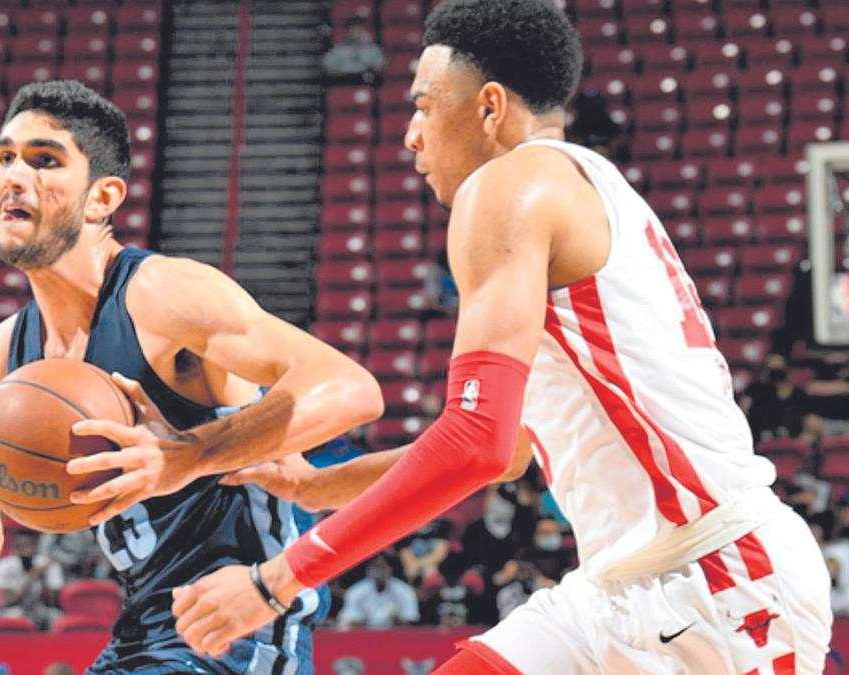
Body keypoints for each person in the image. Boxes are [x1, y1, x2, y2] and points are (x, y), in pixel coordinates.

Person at [172, 1, 832, 672]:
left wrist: (275, 580)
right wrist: (321, 485)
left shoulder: (511, 185)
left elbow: (475, 442)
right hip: (624, 586)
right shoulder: (583, 186)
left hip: (716, 576)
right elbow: (512, 447)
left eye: (425, 106)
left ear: (489, 108)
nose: (410, 135)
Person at [0, 80, 383, 674]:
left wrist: (188, 455)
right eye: (4, 157)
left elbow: (353, 389)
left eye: (44, 160)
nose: (14, 176)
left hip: (237, 628)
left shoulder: (160, 295)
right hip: (144, 631)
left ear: (103, 199)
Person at [0, 530, 63, 630]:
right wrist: (32, 576)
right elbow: (7, 602)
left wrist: (43, 578)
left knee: (56, 617)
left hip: (38, 608)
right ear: (15, 549)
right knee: (16, 616)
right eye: (22, 547)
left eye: (29, 546)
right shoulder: (5, 566)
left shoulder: (46, 564)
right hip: (15, 610)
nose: (26, 551)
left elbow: (52, 603)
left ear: (36, 547)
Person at [336, 557, 419, 629]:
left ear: (390, 569)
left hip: (395, 638)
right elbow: (348, 620)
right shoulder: (356, 591)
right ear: (369, 570)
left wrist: (397, 620)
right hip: (364, 638)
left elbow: (411, 621)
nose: (380, 572)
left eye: (383, 567)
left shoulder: (405, 591)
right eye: (376, 567)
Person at [322, 17, 387, 86]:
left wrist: (371, 67)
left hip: (365, 80)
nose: (355, 33)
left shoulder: (373, 49)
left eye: (358, 29)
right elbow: (327, 66)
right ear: (347, 32)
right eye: (352, 30)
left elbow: (381, 66)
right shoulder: (338, 50)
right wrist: (338, 70)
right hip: (344, 80)